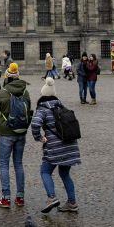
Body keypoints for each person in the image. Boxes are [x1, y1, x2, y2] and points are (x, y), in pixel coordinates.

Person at [31, 78, 80, 214]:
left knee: (45, 171)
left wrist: (39, 138)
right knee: (65, 173)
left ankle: (52, 197)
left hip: (55, 148)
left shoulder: (43, 108)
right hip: (70, 146)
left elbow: (35, 124)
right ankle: (72, 203)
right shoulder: (61, 106)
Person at [0, 63, 30, 209]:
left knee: (4, 165)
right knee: (19, 164)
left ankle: (6, 198)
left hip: (6, 134)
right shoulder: (25, 92)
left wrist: (1, 127)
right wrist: (24, 127)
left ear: (7, 78)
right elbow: (29, 113)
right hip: (21, 133)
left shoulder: (2, 93)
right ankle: (20, 197)